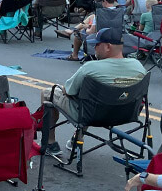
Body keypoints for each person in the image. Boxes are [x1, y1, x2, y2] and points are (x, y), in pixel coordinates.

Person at [40, 27, 145, 155]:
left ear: (107, 47)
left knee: (48, 93)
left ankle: (50, 143)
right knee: (90, 99)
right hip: (126, 114)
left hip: (92, 115)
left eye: (97, 44)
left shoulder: (90, 68)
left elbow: (68, 91)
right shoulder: (138, 66)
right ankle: (76, 139)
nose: (94, 48)